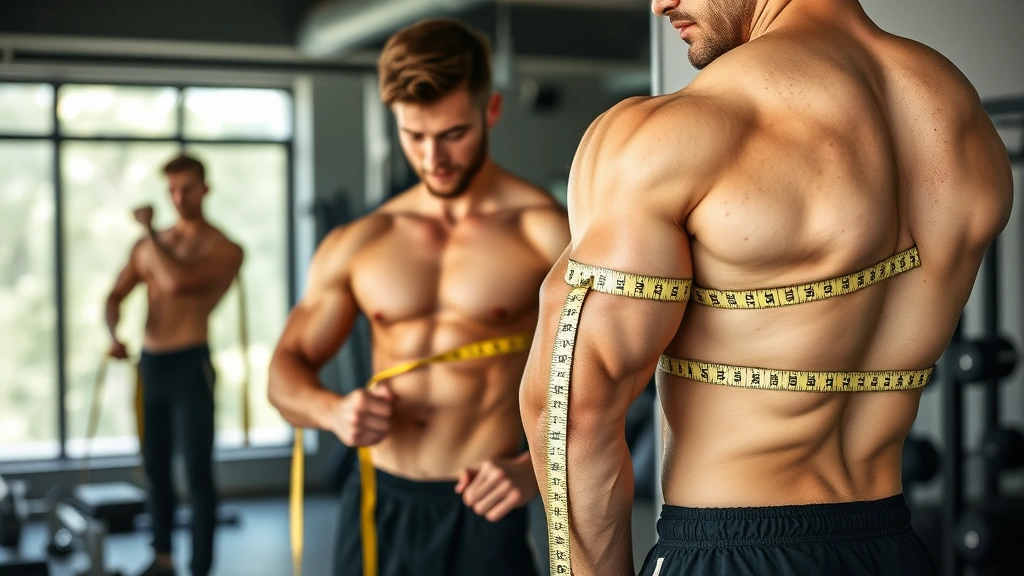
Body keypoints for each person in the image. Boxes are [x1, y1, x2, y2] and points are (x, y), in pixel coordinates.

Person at [520, 1, 1014, 575]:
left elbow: (569, 411)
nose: (660, 3)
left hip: (729, 553)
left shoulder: (677, 132)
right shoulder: (960, 118)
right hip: (895, 548)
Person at [267, 18, 570, 576]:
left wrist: (538, 470)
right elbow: (283, 375)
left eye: (453, 133)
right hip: (378, 501)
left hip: (483, 502)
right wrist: (333, 412)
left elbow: (608, 375)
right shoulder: (361, 241)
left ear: (491, 111)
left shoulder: (547, 234)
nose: (434, 157)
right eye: (414, 136)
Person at [106, 154, 244, 576]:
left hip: (191, 365)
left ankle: (200, 567)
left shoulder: (224, 248)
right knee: (155, 467)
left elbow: (177, 282)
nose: (179, 198)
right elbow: (115, 295)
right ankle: (162, 557)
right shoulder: (150, 245)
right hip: (151, 365)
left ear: (206, 189)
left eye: (187, 188)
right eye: (172, 190)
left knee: (198, 472)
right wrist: (114, 335)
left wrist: (148, 232)